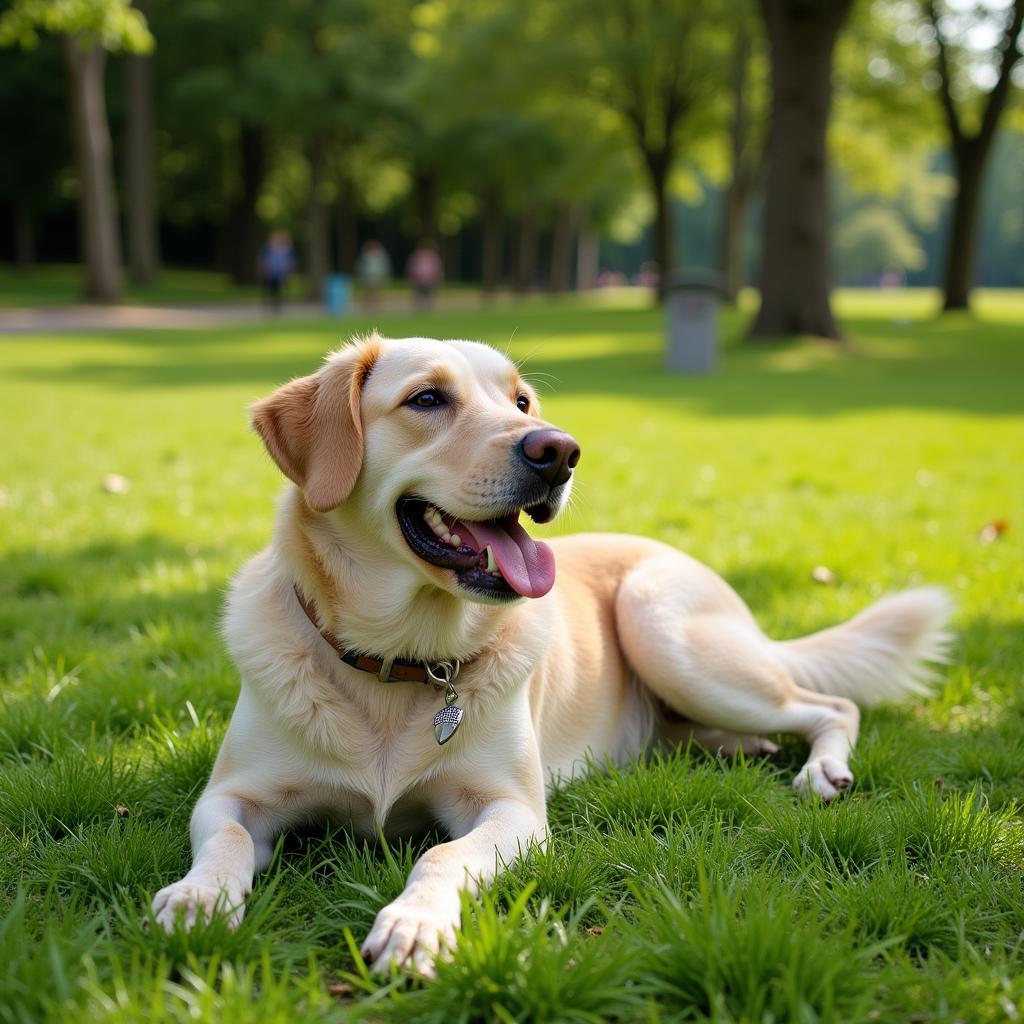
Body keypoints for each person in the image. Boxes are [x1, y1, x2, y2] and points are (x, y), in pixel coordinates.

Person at [259, 230, 295, 313]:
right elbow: (263, 260)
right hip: (270, 272)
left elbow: (290, 262)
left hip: (279, 273)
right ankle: (268, 305)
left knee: (278, 290)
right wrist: (264, 270)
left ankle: (277, 306)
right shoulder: (267, 249)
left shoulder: (286, 250)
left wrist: (289, 273)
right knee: (269, 289)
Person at [406, 238, 442, 308]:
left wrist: (438, 277)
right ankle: (418, 308)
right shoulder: (417, 255)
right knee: (418, 295)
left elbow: (437, 268)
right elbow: (412, 267)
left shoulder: (433, 256)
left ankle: (428, 308)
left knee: (429, 295)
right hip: (418, 278)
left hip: (430, 279)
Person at [356, 239, 392, 307]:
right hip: (368, 276)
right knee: (368, 292)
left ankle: (376, 305)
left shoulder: (381, 255)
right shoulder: (365, 255)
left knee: (377, 292)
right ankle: (367, 305)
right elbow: (361, 267)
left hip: (378, 276)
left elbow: (385, 266)